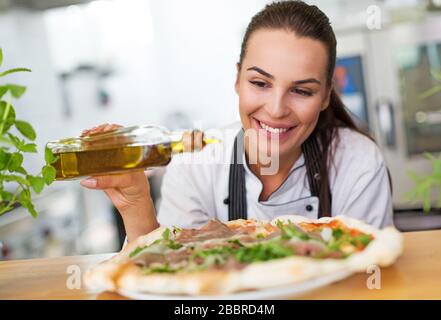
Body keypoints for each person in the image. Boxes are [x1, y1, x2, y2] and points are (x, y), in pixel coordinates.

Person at [80, 1, 393, 242]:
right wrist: (136, 205)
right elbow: (171, 279)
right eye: (260, 83)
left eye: (301, 90)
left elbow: (367, 279)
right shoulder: (196, 162)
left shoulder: (358, 162)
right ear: (238, 80)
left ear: (325, 96)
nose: (276, 108)